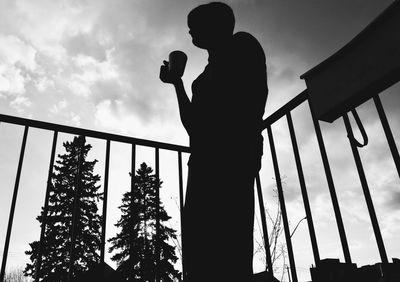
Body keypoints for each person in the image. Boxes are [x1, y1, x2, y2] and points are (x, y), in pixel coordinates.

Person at [160, 2, 268, 281]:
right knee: (199, 253)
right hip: (204, 163)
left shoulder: (242, 45)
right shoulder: (204, 76)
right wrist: (178, 84)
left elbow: (243, 105)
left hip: (230, 160)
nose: (190, 31)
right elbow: (194, 127)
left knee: (227, 250)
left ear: (217, 25)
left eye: (195, 25)